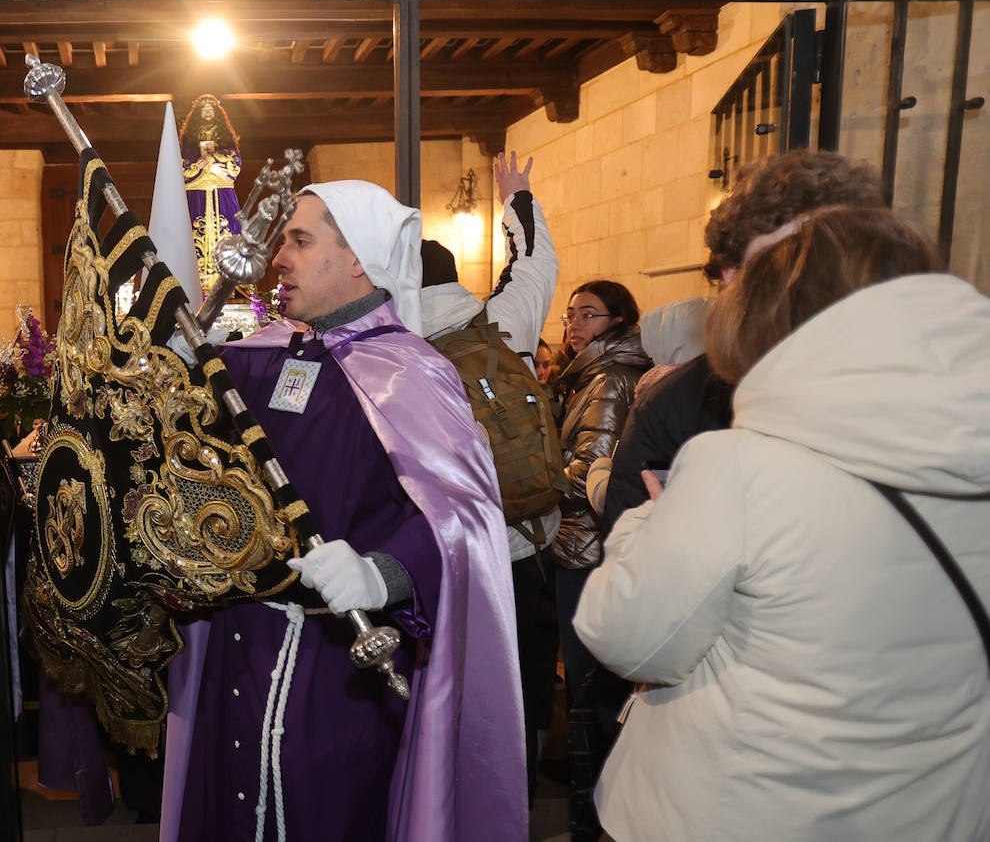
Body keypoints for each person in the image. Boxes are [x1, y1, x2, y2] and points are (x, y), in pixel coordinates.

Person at [573, 206, 990, 841]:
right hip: (930, 807)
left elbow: (628, 637)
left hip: (748, 806)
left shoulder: (742, 464)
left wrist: (646, 524)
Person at [159, 181, 526, 841]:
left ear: (358, 256)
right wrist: (170, 372)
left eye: (300, 241)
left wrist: (384, 571)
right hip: (232, 652)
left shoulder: (410, 372)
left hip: (334, 677)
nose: (280, 257)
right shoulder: (255, 358)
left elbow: (468, 519)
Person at [600, 150, 885, 533]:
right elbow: (626, 566)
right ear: (733, 278)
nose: (806, 283)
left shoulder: (920, 383)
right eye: (778, 264)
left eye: (822, 259)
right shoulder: (677, 405)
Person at [419, 149, 560, 807]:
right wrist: (518, 197)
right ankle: (516, 803)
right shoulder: (504, 322)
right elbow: (535, 265)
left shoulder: (396, 350)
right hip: (527, 545)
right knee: (524, 693)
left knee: (447, 704)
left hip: (449, 562)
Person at [550, 278, 649, 842]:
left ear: (617, 321)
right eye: (570, 316)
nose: (573, 326)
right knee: (587, 683)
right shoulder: (589, 375)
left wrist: (535, 482)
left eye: (587, 315)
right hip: (581, 539)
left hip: (585, 543)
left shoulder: (609, 378)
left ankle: (590, 816)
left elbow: (592, 465)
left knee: (586, 685)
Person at [179, 94, 244, 285]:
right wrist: (208, 167)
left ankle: (228, 283)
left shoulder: (225, 137)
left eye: (211, 109)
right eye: (204, 110)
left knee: (227, 230)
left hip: (221, 189)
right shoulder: (188, 138)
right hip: (196, 189)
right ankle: (192, 283)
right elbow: (182, 162)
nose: (207, 112)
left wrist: (212, 158)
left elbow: (235, 160)